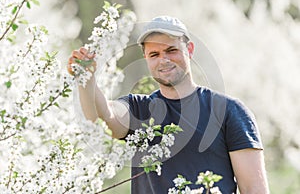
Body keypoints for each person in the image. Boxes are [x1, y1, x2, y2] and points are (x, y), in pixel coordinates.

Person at [67, 16, 270, 194]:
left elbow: (254, 189)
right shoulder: (139, 109)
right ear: (146, 58)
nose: (163, 60)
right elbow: (102, 118)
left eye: (171, 50)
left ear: (189, 50)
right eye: (154, 54)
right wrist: (88, 78)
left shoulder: (229, 111)